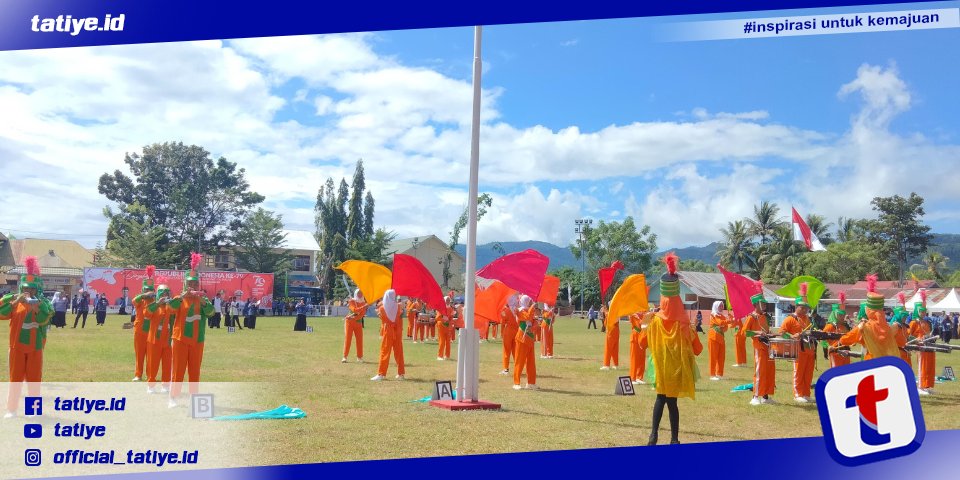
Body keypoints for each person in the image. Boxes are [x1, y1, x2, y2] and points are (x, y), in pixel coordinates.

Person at [640, 253, 702, 445]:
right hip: (676, 371)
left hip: (660, 369)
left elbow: (642, 343)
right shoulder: (684, 323)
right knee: (672, 403)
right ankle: (674, 438)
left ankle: (653, 435)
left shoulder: (655, 321)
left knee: (660, 399)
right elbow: (698, 349)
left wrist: (644, 323)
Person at [0, 256, 53, 418]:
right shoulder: (14, 301)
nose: (28, 291)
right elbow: (2, 314)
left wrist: (36, 308)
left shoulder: (43, 303)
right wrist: (15, 302)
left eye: (31, 289)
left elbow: (45, 319)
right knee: (15, 379)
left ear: (37, 289)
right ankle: (12, 409)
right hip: (16, 347)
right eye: (25, 288)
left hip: (35, 348)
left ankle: (33, 410)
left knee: (34, 378)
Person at [167, 253, 214, 407]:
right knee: (178, 370)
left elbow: (211, 312)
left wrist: (202, 299)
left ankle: (194, 398)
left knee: (195, 371)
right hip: (180, 340)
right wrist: (182, 296)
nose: (193, 287)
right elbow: (170, 309)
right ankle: (173, 397)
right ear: (185, 284)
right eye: (190, 283)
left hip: (197, 340)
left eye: (195, 284)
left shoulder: (203, 299)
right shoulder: (178, 298)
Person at [839, 274, 904, 361]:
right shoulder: (889, 328)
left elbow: (845, 340)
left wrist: (840, 341)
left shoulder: (864, 327)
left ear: (869, 311)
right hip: (886, 365)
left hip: (870, 365)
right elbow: (902, 340)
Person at [779, 282, 817, 403]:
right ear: (797, 306)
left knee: (808, 372)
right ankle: (797, 394)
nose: (805, 310)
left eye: (806, 308)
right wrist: (792, 336)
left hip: (809, 349)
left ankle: (806, 393)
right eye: (803, 307)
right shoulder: (790, 319)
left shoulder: (807, 319)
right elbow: (781, 332)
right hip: (798, 350)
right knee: (799, 372)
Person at [743, 280, 775, 405]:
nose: (765, 305)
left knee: (769, 372)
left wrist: (769, 333)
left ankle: (765, 397)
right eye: (762, 303)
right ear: (756, 304)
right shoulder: (751, 317)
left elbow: (766, 330)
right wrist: (758, 333)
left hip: (768, 347)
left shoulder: (765, 316)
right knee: (759, 371)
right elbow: (745, 333)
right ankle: (755, 396)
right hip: (759, 347)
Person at [144, 282, 174, 394]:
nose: (164, 296)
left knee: (167, 364)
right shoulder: (153, 306)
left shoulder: (170, 306)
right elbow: (146, 314)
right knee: (153, 364)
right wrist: (157, 303)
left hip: (167, 340)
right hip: (154, 341)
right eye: (162, 293)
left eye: (166, 293)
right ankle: (151, 386)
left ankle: (166, 385)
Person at [371, 289, 405, 381]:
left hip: (388, 330)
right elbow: (400, 315)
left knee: (385, 351)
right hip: (397, 330)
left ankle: (381, 374)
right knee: (399, 352)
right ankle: (401, 373)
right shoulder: (398, 307)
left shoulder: (382, 308)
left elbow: (382, 318)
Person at [131, 266, 157, 382]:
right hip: (140, 331)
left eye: (150, 290)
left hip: (152, 331)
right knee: (139, 354)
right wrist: (143, 295)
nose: (148, 292)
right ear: (142, 290)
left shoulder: (155, 301)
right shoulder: (140, 300)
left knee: (152, 356)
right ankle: (138, 374)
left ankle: (150, 375)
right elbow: (133, 301)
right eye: (146, 290)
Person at [909, 291, 935, 395]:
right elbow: (908, 335)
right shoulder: (913, 322)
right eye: (921, 311)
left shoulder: (926, 322)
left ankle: (927, 386)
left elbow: (928, 332)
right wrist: (918, 339)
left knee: (930, 366)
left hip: (929, 347)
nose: (923, 313)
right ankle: (920, 386)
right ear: (917, 311)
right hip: (921, 348)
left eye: (924, 311)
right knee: (922, 367)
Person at [513, 294, 540, 390]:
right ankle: (516, 382)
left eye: (531, 301)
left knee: (531, 362)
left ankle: (531, 383)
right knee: (519, 361)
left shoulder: (530, 310)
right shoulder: (519, 310)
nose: (531, 302)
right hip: (522, 339)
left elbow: (534, 321)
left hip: (530, 338)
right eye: (529, 301)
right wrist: (533, 307)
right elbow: (527, 317)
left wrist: (535, 324)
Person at [822, 292, 853, 368]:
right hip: (835, 354)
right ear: (835, 315)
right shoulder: (829, 326)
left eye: (843, 314)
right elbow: (823, 340)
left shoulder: (845, 326)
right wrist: (828, 347)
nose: (842, 317)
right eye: (840, 315)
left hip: (846, 353)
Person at [707, 301, 729, 380]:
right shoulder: (713, 315)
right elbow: (721, 323)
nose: (721, 307)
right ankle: (712, 375)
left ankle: (719, 374)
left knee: (721, 357)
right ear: (716, 306)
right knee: (713, 357)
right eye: (720, 306)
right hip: (713, 337)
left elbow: (725, 327)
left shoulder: (722, 316)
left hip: (721, 338)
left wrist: (729, 321)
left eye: (722, 306)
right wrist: (729, 320)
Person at [499, 294, 520, 375]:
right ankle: (517, 367)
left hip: (508, 331)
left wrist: (501, 333)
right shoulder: (517, 310)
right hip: (516, 330)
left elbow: (503, 323)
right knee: (515, 350)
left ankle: (506, 368)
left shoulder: (505, 310)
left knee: (506, 350)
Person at [343, 289, 365, 363]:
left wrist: (354, 317)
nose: (360, 294)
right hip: (349, 323)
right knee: (348, 339)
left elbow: (361, 315)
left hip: (358, 323)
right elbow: (354, 310)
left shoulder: (363, 303)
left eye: (361, 293)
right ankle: (345, 357)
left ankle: (359, 357)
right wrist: (363, 307)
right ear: (356, 293)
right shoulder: (352, 301)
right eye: (358, 293)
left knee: (359, 340)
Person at [627, 310, 647, 385]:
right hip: (636, 335)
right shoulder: (634, 313)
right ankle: (632, 377)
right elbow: (640, 322)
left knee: (642, 357)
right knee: (634, 358)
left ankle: (639, 377)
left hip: (642, 335)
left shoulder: (645, 312)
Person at [601, 300, 619, 370]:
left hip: (611, 330)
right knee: (615, 348)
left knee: (608, 347)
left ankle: (606, 365)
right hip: (616, 330)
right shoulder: (616, 310)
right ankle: (615, 364)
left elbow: (609, 316)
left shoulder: (612, 311)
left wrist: (604, 311)